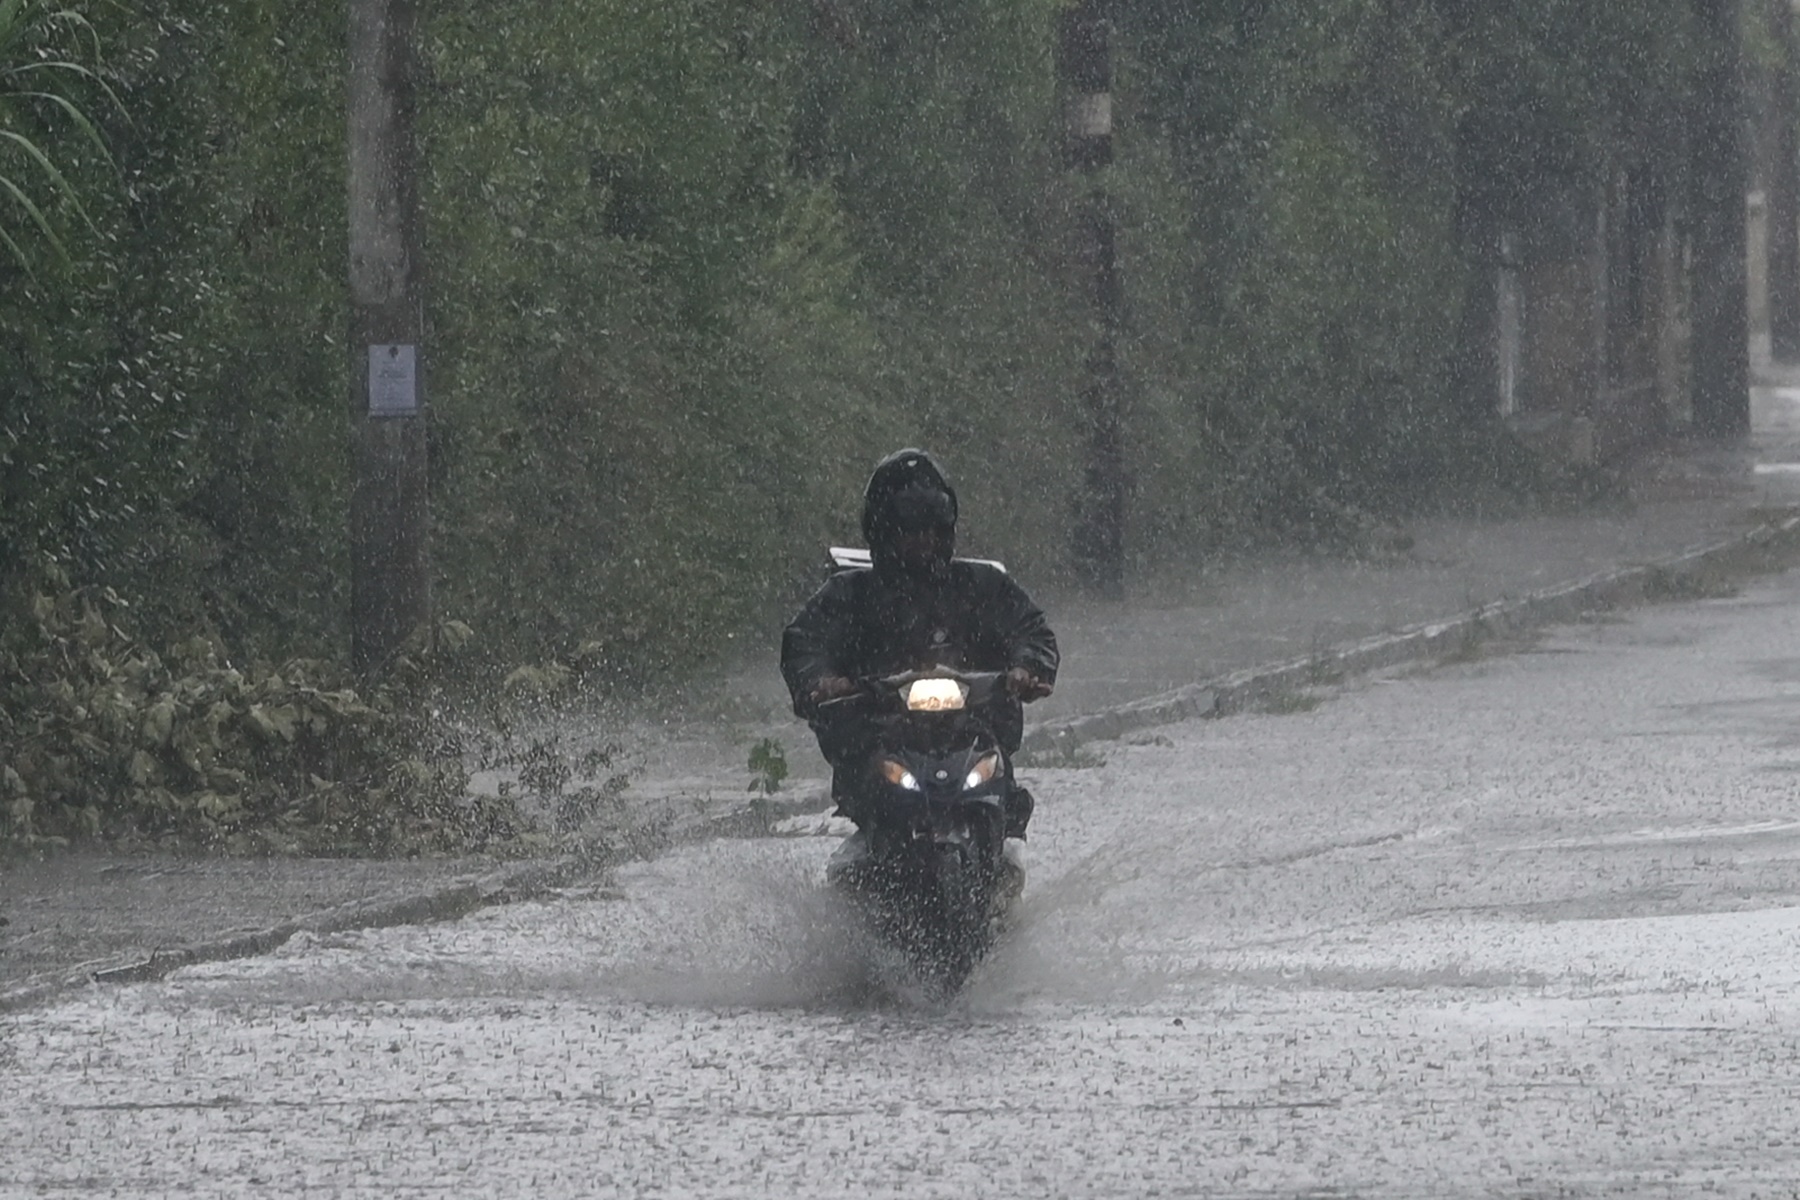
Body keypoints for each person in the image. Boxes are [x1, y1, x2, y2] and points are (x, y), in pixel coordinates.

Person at [781, 448, 1058, 839]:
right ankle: (875, 850)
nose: (923, 540)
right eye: (909, 529)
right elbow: (805, 642)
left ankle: (997, 841)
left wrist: (1027, 667)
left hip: (970, 733)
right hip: (881, 737)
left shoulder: (982, 588)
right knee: (869, 784)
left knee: (1001, 789)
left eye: (933, 528)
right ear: (882, 531)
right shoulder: (850, 596)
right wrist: (821, 680)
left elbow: (1030, 628)